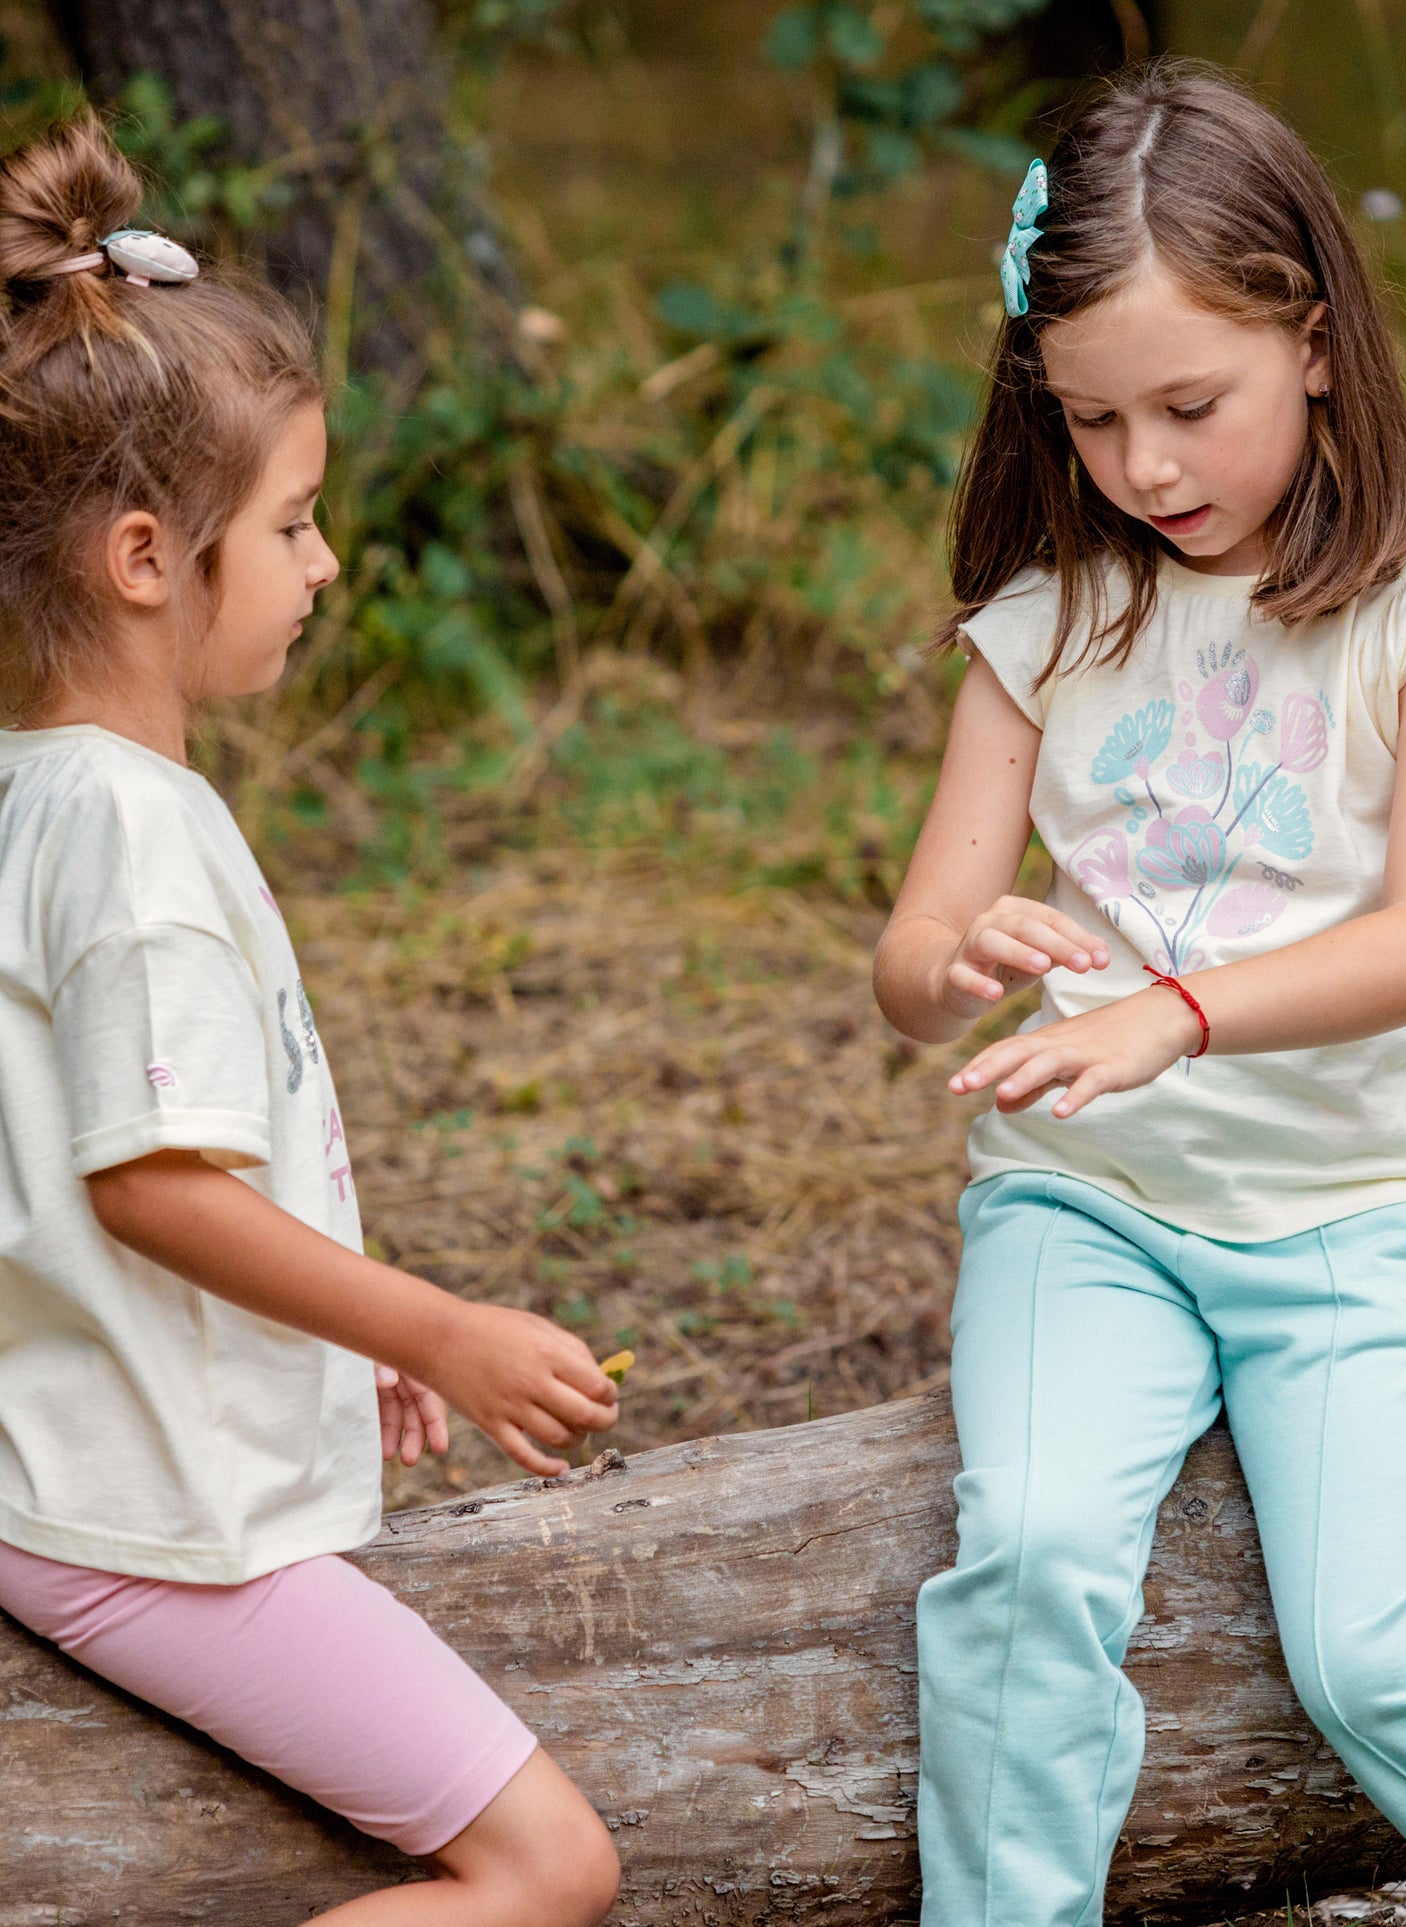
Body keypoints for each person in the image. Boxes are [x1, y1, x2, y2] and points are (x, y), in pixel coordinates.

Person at [0, 110, 623, 1926]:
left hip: (71, 1453)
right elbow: (154, 1188)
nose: (327, 561)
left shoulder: (42, 793)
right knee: (544, 1869)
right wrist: (437, 1328)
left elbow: (70, 1173)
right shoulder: (135, 838)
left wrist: (317, 1344)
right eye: (291, 522)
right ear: (142, 556)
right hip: (147, 1528)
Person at [873, 58, 1406, 1927]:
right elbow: (912, 957)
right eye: (1094, 419)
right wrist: (953, 958)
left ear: (1311, 336)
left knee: (1371, 1655)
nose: (1144, 469)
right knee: (1026, 1559)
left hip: (1365, 1212)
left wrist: (1173, 1013)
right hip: (1086, 1206)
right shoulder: (1049, 617)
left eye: (1188, 407)